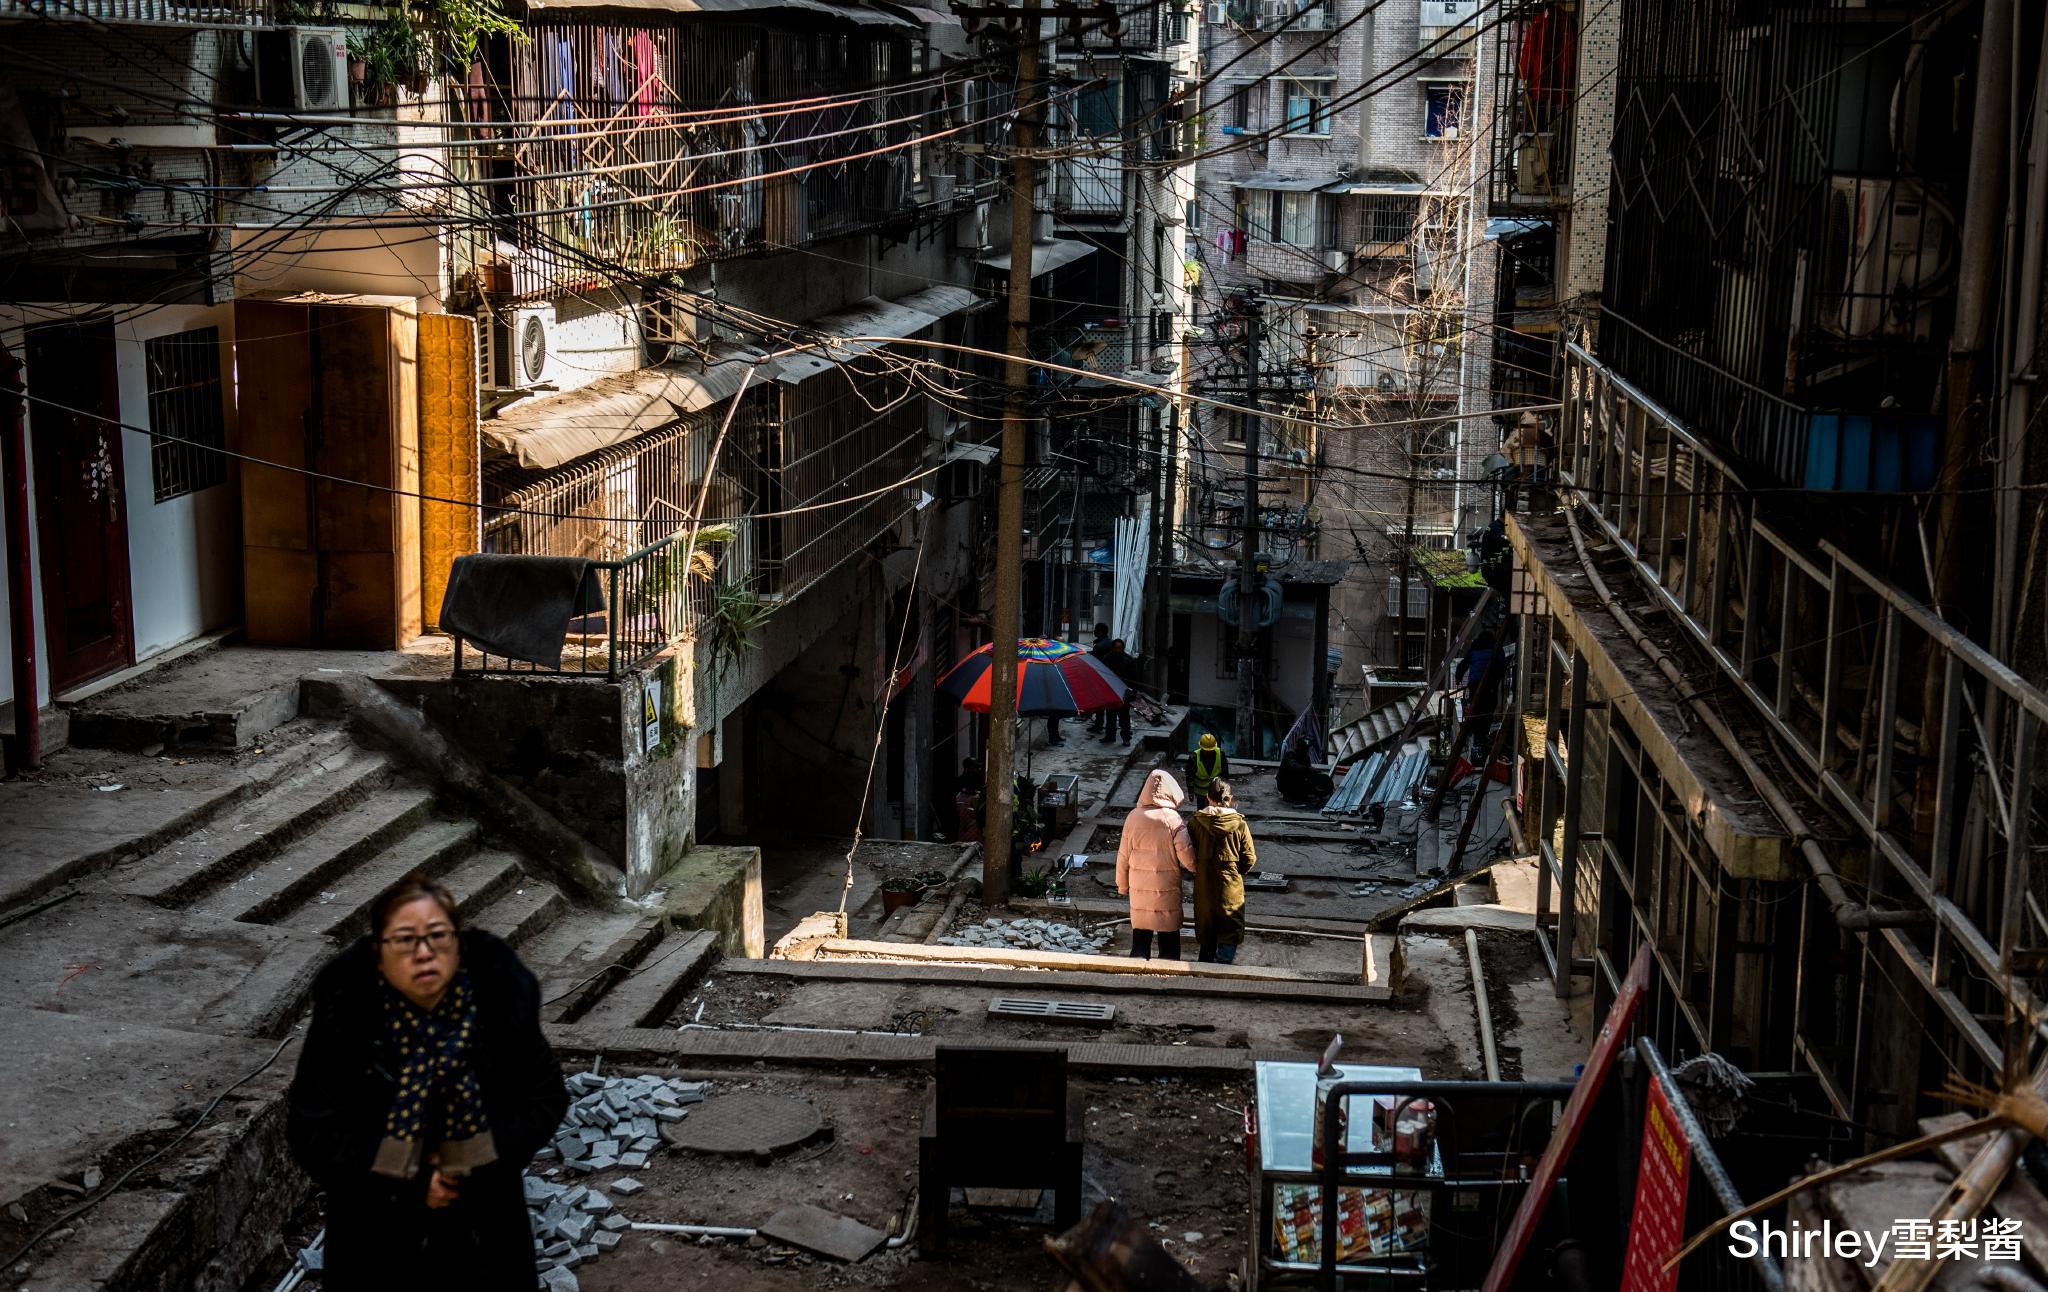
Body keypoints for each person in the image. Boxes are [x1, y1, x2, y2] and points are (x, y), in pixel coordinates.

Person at [286, 874, 567, 1289]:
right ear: (380, 954)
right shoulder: (347, 1024)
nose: (423, 954)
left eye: (437, 936)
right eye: (404, 940)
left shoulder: (500, 1010)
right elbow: (313, 1130)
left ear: (457, 945)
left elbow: (544, 1097)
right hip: (375, 1232)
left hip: (486, 1225)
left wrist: (476, 1157)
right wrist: (413, 1182)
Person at [1116, 768, 1195, 960]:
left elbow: (1123, 855)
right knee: (1169, 940)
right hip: (1165, 887)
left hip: (1139, 887)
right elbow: (1186, 854)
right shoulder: (1172, 818)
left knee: (1141, 937)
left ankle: (1136, 971)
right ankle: (1166, 975)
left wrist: (1122, 884)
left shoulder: (1133, 816)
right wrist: (1197, 869)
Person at [1188, 778, 1258, 964]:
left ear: (1207, 797)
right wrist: (1237, 871)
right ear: (1230, 798)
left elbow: (1188, 853)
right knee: (1229, 929)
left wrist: (1198, 870)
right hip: (1230, 886)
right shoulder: (1240, 824)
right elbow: (1250, 858)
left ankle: (1203, 973)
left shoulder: (1196, 823)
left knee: (1207, 928)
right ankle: (1222, 973)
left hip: (1204, 885)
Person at [1094, 638, 1134, 746]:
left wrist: (1131, 692)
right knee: (1111, 716)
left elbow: (1134, 679)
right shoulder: (1106, 659)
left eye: (1120, 648)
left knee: (1124, 717)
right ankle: (1110, 736)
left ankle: (1126, 738)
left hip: (1124, 692)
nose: (1118, 650)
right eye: (1116, 648)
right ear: (1113, 648)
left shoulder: (1128, 660)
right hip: (1110, 691)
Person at [1276, 737, 1335, 806]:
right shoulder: (1291, 754)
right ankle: (1289, 795)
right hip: (1285, 783)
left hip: (1298, 781)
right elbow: (1293, 766)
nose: (1306, 750)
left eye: (1307, 748)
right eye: (1304, 748)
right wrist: (1308, 769)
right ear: (1299, 747)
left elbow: (1307, 773)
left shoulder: (1306, 757)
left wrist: (1315, 772)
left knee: (1312, 787)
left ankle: (1301, 793)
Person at [1084, 623, 1113, 735]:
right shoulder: (1108, 642)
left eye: (1095, 630)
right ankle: (1100, 725)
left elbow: (1093, 659)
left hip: (1100, 676)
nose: (1094, 631)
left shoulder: (1100, 645)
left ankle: (1099, 725)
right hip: (1107, 676)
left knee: (1099, 702)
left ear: (1100, 632)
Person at [1187, 731, 1229, 801]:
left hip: (1216, 791)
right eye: (1206, 751)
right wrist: (1190, 792)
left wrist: (1225, 791)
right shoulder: (1194, 757)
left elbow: (1225, 775)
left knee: (1216, 811)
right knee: (1202, 810)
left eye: (1210, 751)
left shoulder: (1221, 755)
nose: (1208, 753)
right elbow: (1189, 776)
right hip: (1201, 793)